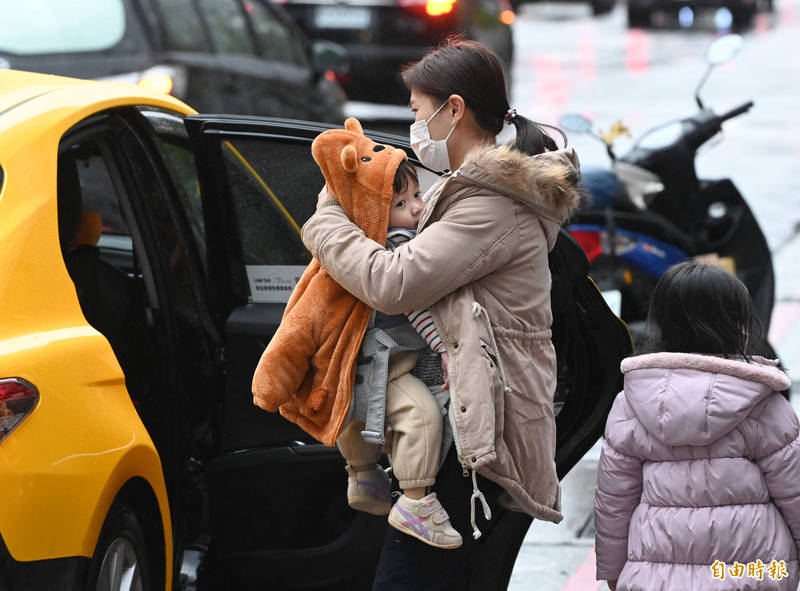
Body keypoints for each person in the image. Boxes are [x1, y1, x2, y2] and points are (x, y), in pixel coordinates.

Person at [303, 36, 582, 588]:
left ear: (454, 110)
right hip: (468, 420)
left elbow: (393, 280)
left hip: (473, 437)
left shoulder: (491, 205)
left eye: (418, 111)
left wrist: (328, 222)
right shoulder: (464, 191)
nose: (414, 126)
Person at [594, 261, 799, 591]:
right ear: (741, 327)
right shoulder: (764, 403)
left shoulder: (632, 401)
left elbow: (614, 500)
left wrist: (613, 570)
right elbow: (795, 493)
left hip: (655, 579)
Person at [338, 159, 462, 549]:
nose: (416, 208)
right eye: (401, 202)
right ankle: (416, 501)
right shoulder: (397, 246)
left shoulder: (356, 246)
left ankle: (362, 473)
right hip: (386, 365)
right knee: (420, 416)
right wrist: (443, 346)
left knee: (355, 416)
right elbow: (416, 307)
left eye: (417, 195)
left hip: (354, 363)